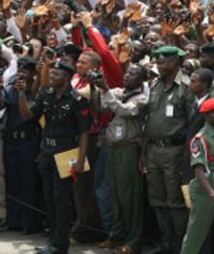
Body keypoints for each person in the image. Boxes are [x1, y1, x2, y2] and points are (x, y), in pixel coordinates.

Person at [18, 59, 90, 254]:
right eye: (51, 74)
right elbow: (28, 116)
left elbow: (84, 133)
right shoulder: (46, 94)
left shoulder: (76, 100)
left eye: (56, 74)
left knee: (62, 199)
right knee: (49, 198)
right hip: (47, 153)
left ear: (67, 77)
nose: (51, 77)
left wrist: (81, 160)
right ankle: (53, 240)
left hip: (66, 153)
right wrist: (21, 93)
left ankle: (61, 244)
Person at [140, 45, 196, 254]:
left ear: (175, 62)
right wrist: (144, 153)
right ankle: (166, 242)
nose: (158, 65)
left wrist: (186, 158)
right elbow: (150, 121)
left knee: (175, 201)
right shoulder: (155, 85)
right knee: (157, 200)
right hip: (153, 149)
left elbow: (193, 124)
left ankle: (180, 244)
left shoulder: (187, 86)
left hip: (175, 150)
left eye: (163, 61)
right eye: (157, 61)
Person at [100, 64, 149, 254]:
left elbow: (123, 111)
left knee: (130, 196)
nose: (128, 75)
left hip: (128, 149)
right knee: (116, 195)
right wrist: (97, 87)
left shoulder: (142, 99)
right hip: (112, 148)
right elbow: (100, 107)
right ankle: (117, 235)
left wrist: (105, 89)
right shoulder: (118, 92)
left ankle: (134, 241)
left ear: (141, 80)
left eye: (133, 73)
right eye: (127, 72)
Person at [0, 57, 43, 234]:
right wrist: (0, 87)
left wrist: (23, 93)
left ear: (33, 73)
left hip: (28, 141)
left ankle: (29, 222)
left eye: (26, 69)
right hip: (10, 140)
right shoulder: (12, 87)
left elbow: (27, 115)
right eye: (20, 68)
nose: (22, 72)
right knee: (11, 180)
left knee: (28, 182)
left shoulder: (36, 91)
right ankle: (13, 220)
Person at [180, 97, 214, 254]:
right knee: (195, 237)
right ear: (208, 116)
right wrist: (212, 194)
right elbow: (199, 170)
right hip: (206, 193)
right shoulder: (200, 139)